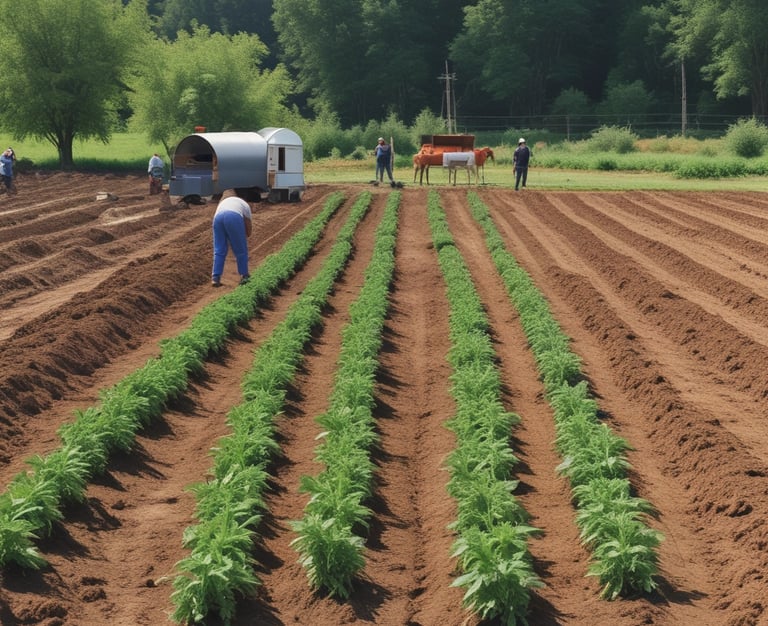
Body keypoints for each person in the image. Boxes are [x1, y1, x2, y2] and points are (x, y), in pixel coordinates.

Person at [211, 190, 252, 287]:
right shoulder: (244, 204)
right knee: (241, 250)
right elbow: (248, 226)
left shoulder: (223, 203)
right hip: (233, 217)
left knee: (219, 249)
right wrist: (243, 237)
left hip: (217, 218)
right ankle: (244, 275)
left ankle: (215, 277)